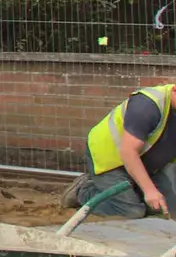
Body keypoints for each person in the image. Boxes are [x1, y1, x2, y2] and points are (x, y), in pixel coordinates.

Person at [69, 85, 176, 217]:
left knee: (167, 208)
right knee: (131, 212)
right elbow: (128, 152)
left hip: (145, 163)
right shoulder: (147, 105)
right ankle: (83, 191)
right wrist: (149, 190)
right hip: (110, 159)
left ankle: (135, 191)